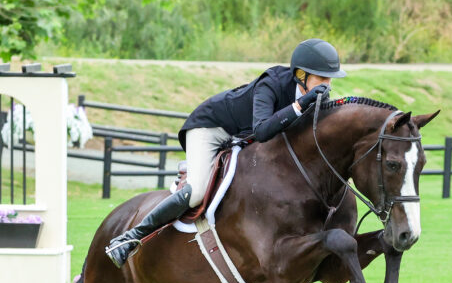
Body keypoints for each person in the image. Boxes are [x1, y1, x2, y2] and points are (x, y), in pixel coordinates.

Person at [104, 38, 348, 268]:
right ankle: (129, 239)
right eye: (322, 79)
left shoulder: (312, 95)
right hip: (210, 129)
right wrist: (299, 106)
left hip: (242, 139)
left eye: (330, 80)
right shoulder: (271, 84)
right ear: (300, 76)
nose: (327, 86)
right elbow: (262, 131)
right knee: (197, 192)